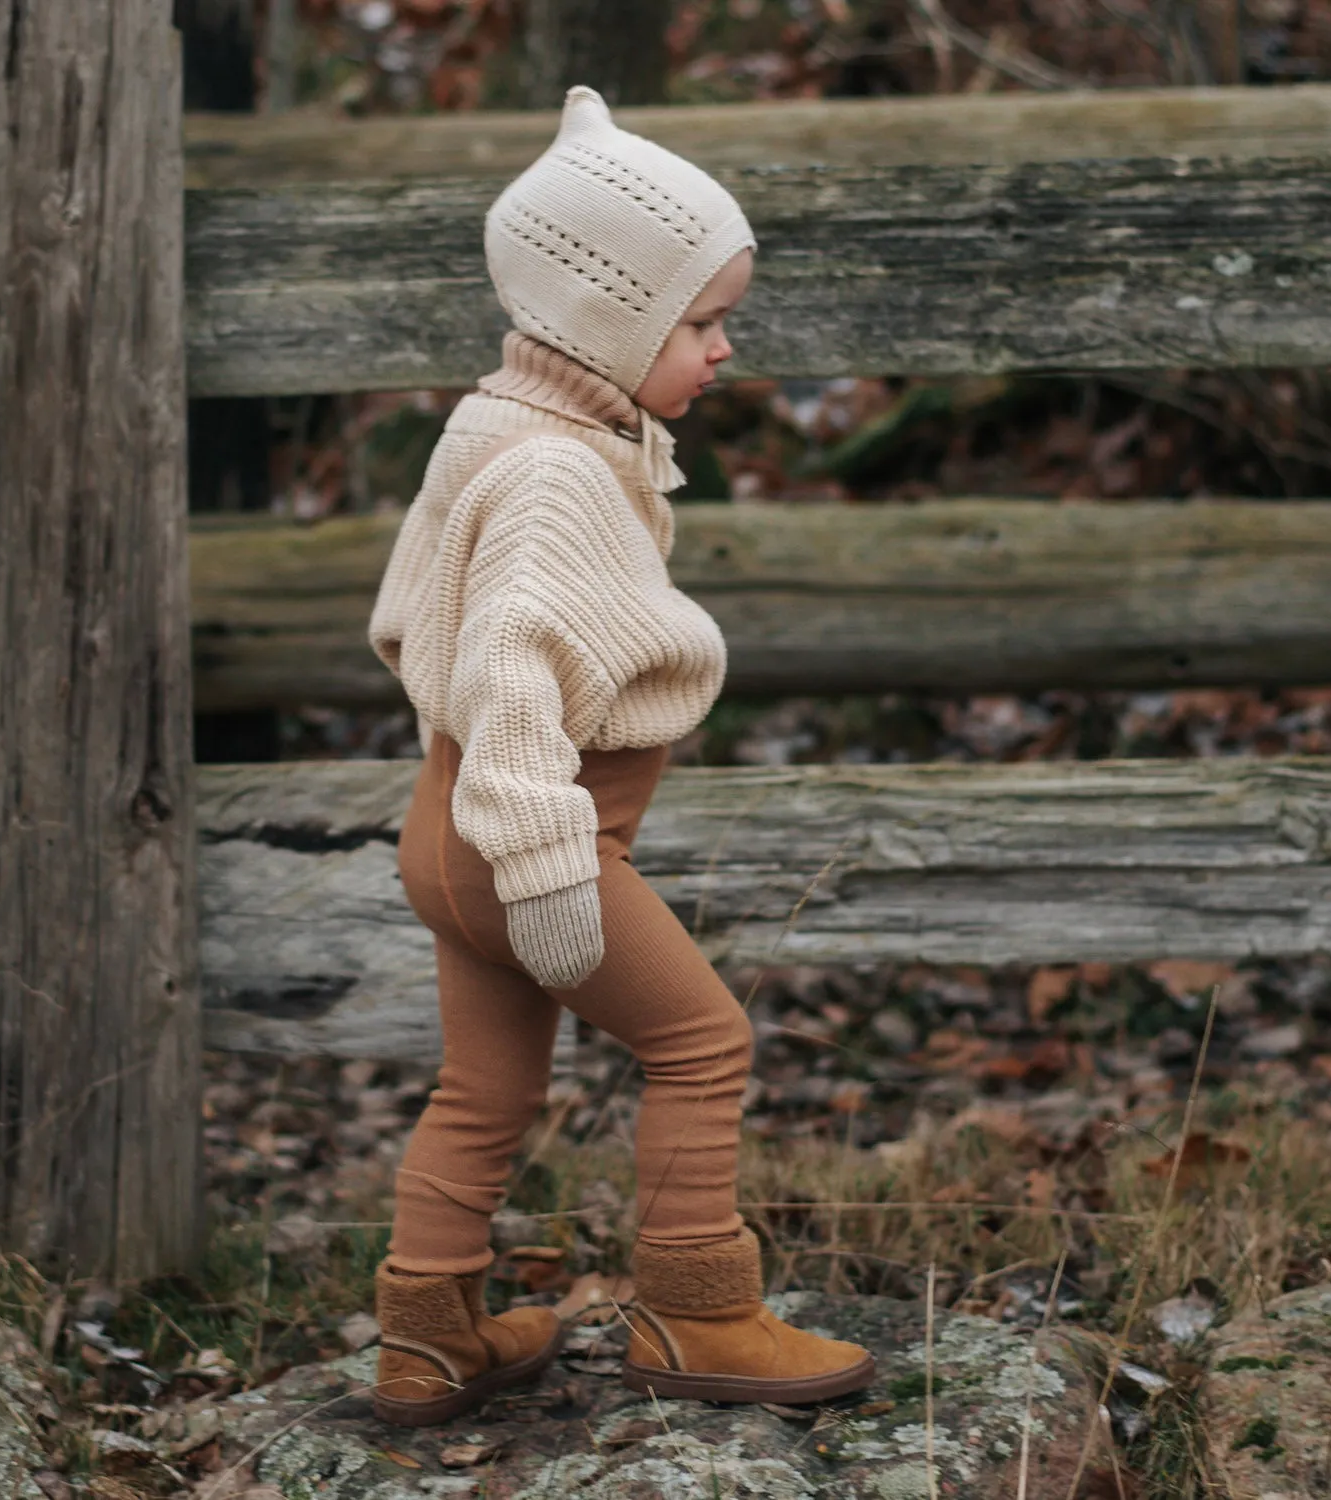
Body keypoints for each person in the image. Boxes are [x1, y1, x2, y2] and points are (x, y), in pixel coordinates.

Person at [365, 84, 875, 1428]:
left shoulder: (504, 421)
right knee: (705, 1041)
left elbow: (414, 616)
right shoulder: (561, 478)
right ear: (610, 321)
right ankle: (697, 1315)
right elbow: (503, 668)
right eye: (701, 323)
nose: (724, 350)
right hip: (529, 838)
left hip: (448, 826)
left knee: (485, 1087)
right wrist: (545, 871)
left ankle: (426, 1339)